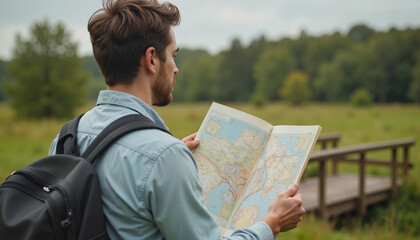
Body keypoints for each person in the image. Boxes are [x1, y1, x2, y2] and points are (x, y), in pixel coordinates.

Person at [49, 0, 305, 239]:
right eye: (173, 55)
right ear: (151, 59)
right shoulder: (163, 157)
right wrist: (271, 224)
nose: (175, 67)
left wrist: (162, 160)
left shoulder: (65, 137)